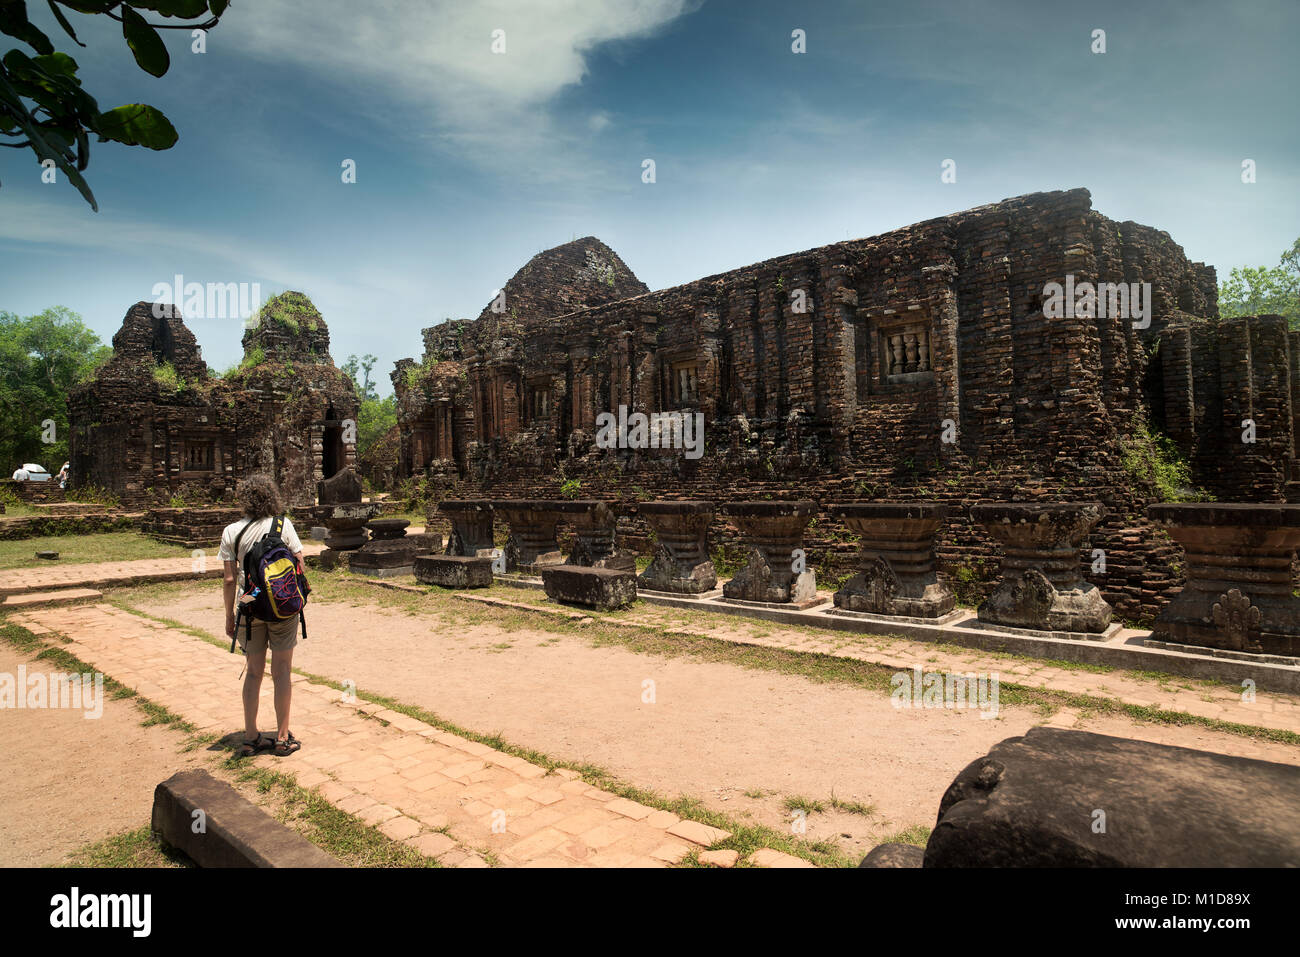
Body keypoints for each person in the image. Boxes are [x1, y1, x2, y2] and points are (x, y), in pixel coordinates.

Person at [218, 474, 305, 757]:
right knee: (282, 672)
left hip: (249, 602)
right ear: (272, 497)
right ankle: (282, 737)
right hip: (282, 605)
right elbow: (299, 564)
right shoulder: (284, 524)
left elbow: (230, 580)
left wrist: (231, 615)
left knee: (254, 672)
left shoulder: (232, 531)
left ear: (245, 499)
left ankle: (251, 736)